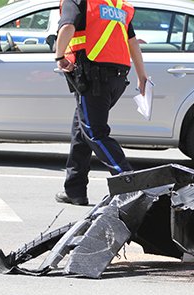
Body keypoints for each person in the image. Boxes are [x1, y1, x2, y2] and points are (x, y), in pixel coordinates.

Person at [55, 0, 147, 206]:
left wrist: (59, 57)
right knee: (81, 131)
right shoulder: (118, 5)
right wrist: (142, 76)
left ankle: (129, 183)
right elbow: (132, 42)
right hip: (116, 78)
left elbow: (68, 26)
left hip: (93, 76)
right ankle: (75, 190)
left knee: (95, 133)